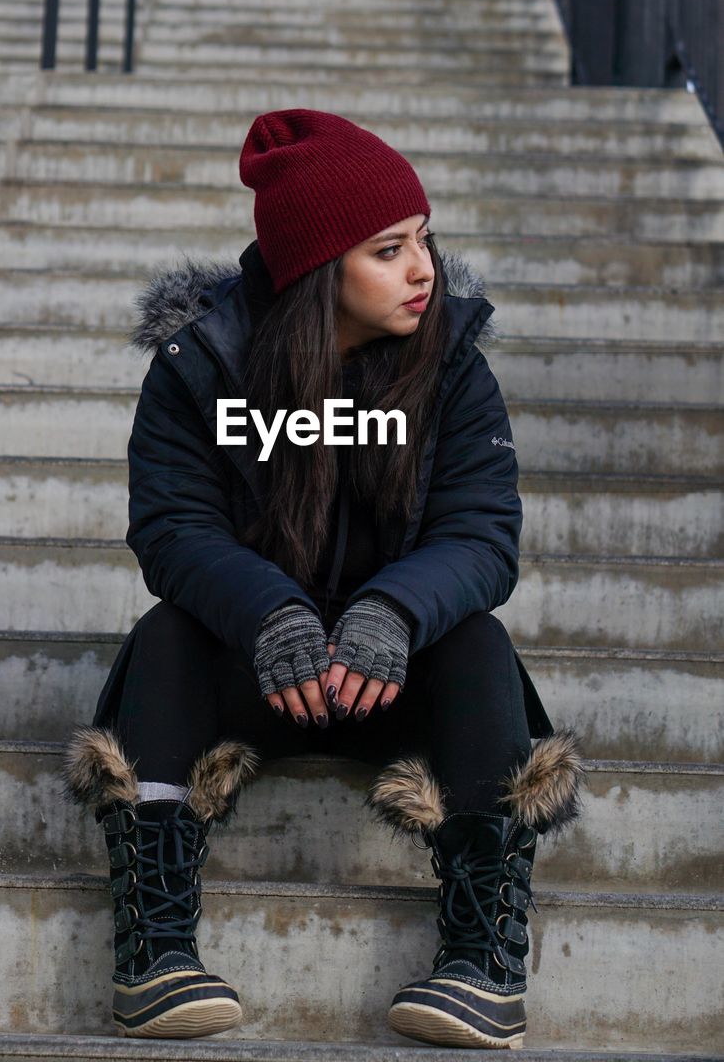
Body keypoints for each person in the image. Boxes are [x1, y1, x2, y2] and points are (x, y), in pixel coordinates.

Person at [61, 108, 585, 1048]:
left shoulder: (452, 365)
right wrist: (268, 613)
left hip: (399, 677)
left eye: (423, 240)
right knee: (167, 635)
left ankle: (481, 958)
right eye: (388, 250)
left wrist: (392, 609)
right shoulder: (201, 369)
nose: (422, 269)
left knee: (477, 641)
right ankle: (155, 954)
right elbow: (174, 531)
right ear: (315, 269)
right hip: (254, 673)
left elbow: (482, 537)